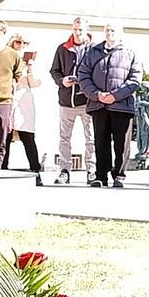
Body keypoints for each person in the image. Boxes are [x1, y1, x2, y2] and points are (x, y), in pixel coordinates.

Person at [77, 22, 143, 189]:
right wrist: (97, 95)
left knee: (122, 143)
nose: (110, 33)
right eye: (107, 30)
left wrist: (115, 96)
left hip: (122, 106)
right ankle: (101, 176)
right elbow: (83, 75)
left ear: (121, 33)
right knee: (100, 141)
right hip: (99, 105)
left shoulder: (130, 53)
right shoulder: (93, 52)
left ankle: (119, 175)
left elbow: (135, 79)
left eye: (113, 30)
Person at [49, 17, 96, 185]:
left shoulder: (94, 49)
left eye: (81, 29)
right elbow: (54, 71)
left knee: (90, 138)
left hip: (87, 101)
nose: (78, 32)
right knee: (64, 138)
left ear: (87, 29)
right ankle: (64, 170)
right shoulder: (63, 48)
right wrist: (62, 80)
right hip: (66, 100)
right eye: (75, 29)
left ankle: (91, 170)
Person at [1, 35, 42, 185]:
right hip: (8, 98)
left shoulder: (29, 62)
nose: (21, 45)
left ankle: (36, 171)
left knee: (28, 137)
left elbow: (36, 83)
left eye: (25, 43)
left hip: (24, 102)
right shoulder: (5, 56)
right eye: (18, 42)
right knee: (5, 137)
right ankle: (2, 170)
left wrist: (30, 68)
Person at [0, 24, 20, 171]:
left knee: (1, 140)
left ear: (4, 35)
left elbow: (15, 79)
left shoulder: (13, 55)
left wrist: (13, 101)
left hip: (4, 101)